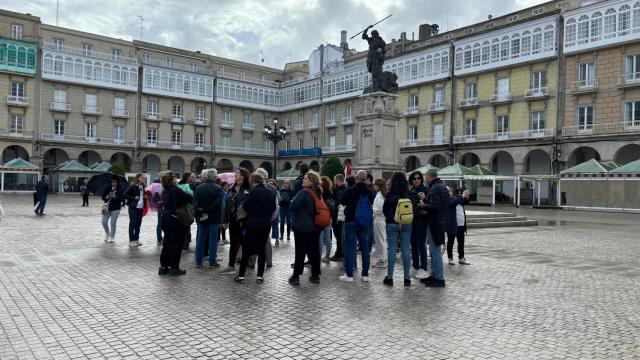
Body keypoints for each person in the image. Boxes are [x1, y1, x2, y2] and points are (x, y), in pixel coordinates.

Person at [235, 172, 276, 284]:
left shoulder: (253, 192)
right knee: (261, 249)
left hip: (253, 223)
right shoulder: (271, 191)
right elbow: (273, 208)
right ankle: (260, 276)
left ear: (253, 181)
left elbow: (246, 206)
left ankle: (241, 276)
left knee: (247, 249)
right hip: (266, 224)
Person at [339, 170, 374, 283]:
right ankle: (365, 275)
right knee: (365, 248)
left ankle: (349, 275)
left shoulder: (350, 190)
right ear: (366, 179)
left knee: (350, 247)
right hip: (364, 222)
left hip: (351, 221)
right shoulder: (370, 191)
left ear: (356, 178)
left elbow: (342, 201)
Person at [288, 172, 323, 285]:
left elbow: (293, 206)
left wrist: (293, 201)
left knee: (300, 252)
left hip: (302, 227)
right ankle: (315, 275)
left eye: (306, 179)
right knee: (314, 252)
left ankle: (296, 277)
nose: (303, 180)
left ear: (311, 181)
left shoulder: (303, 192)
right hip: (315, 227)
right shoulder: (318, 193)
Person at [159, 171, 193, 276]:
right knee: (176, 244)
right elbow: (189, 198)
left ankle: (163, 267)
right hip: (176, 219)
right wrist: (179, 188)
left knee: (167, 243)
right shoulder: (176, 190)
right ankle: (174, 268)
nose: (176, 179)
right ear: (171, 180)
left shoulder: (165, 190)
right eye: (174, 177)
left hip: (166, 218)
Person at [382, 172, 413, 287]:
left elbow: (384, 210)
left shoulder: (390, 195)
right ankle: (407, 278)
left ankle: (390, 277)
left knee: (392, 249)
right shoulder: (409, 194)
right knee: (406, 249)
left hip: (392, 222)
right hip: (406, 223)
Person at [421, 169, 450, 288]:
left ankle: (438, 278)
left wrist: (423, 205)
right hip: (439, 221)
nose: (425, 179)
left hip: (434, 222)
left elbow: (434, 207)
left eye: (425, 176)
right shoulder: (441, 186)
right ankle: (435, 275)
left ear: (430, 176)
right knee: (434, 250)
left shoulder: (435, 188)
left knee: (435, 251)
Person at [220, 167, 251, 275]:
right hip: (233, 219)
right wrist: (224, 220)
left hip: (245, 220)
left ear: (243, 175)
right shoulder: (231, 187)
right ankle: (231, 265)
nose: (235, 174)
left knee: (245, 244)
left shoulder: (249, 188)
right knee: (234, 243)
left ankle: (244, 267)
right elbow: (225, 205)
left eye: (237, 173)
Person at [193, 169, 225, 268]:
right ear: (215, 177)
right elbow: (218, 204)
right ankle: (212, 261)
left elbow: (195, 202)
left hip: (202, 216)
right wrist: (208, 210)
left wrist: (200, 210)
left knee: (201, 238)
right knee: (212, 240)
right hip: (213, 217)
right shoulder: (218, 188)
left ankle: (198, 261)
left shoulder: (199, 187)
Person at [408, 170, 429, 280]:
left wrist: (424, 198)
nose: (417, 180)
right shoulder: (410, 191)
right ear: (411, 180)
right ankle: (415, 266)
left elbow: (429, 204)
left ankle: (424, 267)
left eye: (418, 178)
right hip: (412, 220)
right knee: (413, 244)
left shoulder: (426, 190)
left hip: (422, 220)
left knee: (421, 244)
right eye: (414, 178)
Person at [446, 187, 471, 266]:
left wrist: (466, 196)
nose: (449, 192)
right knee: (451, 242)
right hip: (452, 225)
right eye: (447, 191)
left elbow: (464, 201)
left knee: (461, 242)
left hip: (461, 225)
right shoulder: (447, 200)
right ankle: (450, 258)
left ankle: (461, 258)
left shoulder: (457, 198)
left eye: (450, 191)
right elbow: (454, 202)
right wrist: (463, 196)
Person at [124, 173, 147, 247]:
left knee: (138, 224)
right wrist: (133, 198)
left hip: (140, 208)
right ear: (138, 178)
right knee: (132, 224)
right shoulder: (132, 186)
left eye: (144, 177)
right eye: (142, 177)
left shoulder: (143, 186)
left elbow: (141, 196)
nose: (143, 178)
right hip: (133, 208)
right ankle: (131, 240)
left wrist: (144, 198)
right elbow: (125, 195)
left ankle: (136, 239)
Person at [101, 176, 124, 243]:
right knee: (104, 222)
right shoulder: (107, 188)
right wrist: (106, 197)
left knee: (113, 223)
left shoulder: (120, 189)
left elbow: (122, 199)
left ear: (117, 182)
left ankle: (112, 236)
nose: (113, 182)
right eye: (112, 181)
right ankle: (107, 233)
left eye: (115, 181)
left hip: (116, 208)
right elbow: (102, 197)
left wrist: (115, 197)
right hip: (107, 207)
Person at [329, 174, 346, 261]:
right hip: (341, 217)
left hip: (338, 217)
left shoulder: (339, 191)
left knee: (339, 236)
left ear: (337, 180)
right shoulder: (344, 189)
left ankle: (339, 254)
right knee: (340, 236)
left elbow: (338, 205)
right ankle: (340, 253)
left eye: (335, 180)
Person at [371, 178, 388, 268]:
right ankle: (382, 258)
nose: (374, 185)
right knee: (381, 240)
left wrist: (372, 209)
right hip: (379, 219)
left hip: (379, 219)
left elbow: (380, 209)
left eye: (375, 184)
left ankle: (382, 260)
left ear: (379, 186)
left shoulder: (380, 195)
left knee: (380, 240)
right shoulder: (380, 194)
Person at [178, 172, 195, 250]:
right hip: (186, 207)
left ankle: (181, 242)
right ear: (187, 178)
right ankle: (185, 244)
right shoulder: (186, 185)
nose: (192, 178)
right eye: (191, 177)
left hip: (179, 208)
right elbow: (191, 194)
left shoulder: (178, 184)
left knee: (181, 225)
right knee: (187, 225)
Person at [319, 176, 334, 263]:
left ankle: (319, 255)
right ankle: (328, 256)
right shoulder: (330, 193)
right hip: (328, 216)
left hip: (320, 216)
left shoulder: (320, 193)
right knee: (328, 238)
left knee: (320, 238)